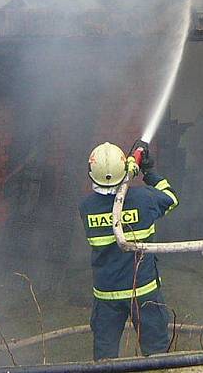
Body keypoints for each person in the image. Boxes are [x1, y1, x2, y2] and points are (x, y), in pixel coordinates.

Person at [79, 140, 179, 360]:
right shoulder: (145, 198)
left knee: (105, 356)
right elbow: (171, 199)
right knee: (156, 354)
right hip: (143, 292)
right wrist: (148, 172)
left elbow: (112, 202)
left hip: (107, 294)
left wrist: (127, 172)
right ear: (124, 169)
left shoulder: (86, 208)